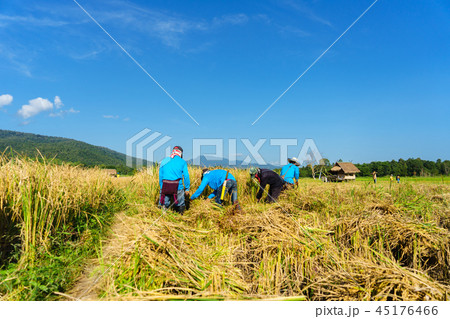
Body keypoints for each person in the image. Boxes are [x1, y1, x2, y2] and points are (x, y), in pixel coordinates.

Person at [159, 146, 190, 215]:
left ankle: (163, 219)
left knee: (164, 204)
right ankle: (180, 217)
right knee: (180, 204)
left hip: (165, 186)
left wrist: (161, 186)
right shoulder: (182, 162)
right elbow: (186, 176)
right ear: (181, 153)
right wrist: (187, 188)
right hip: (178, 187)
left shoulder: (164, 160)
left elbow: (161, 175)